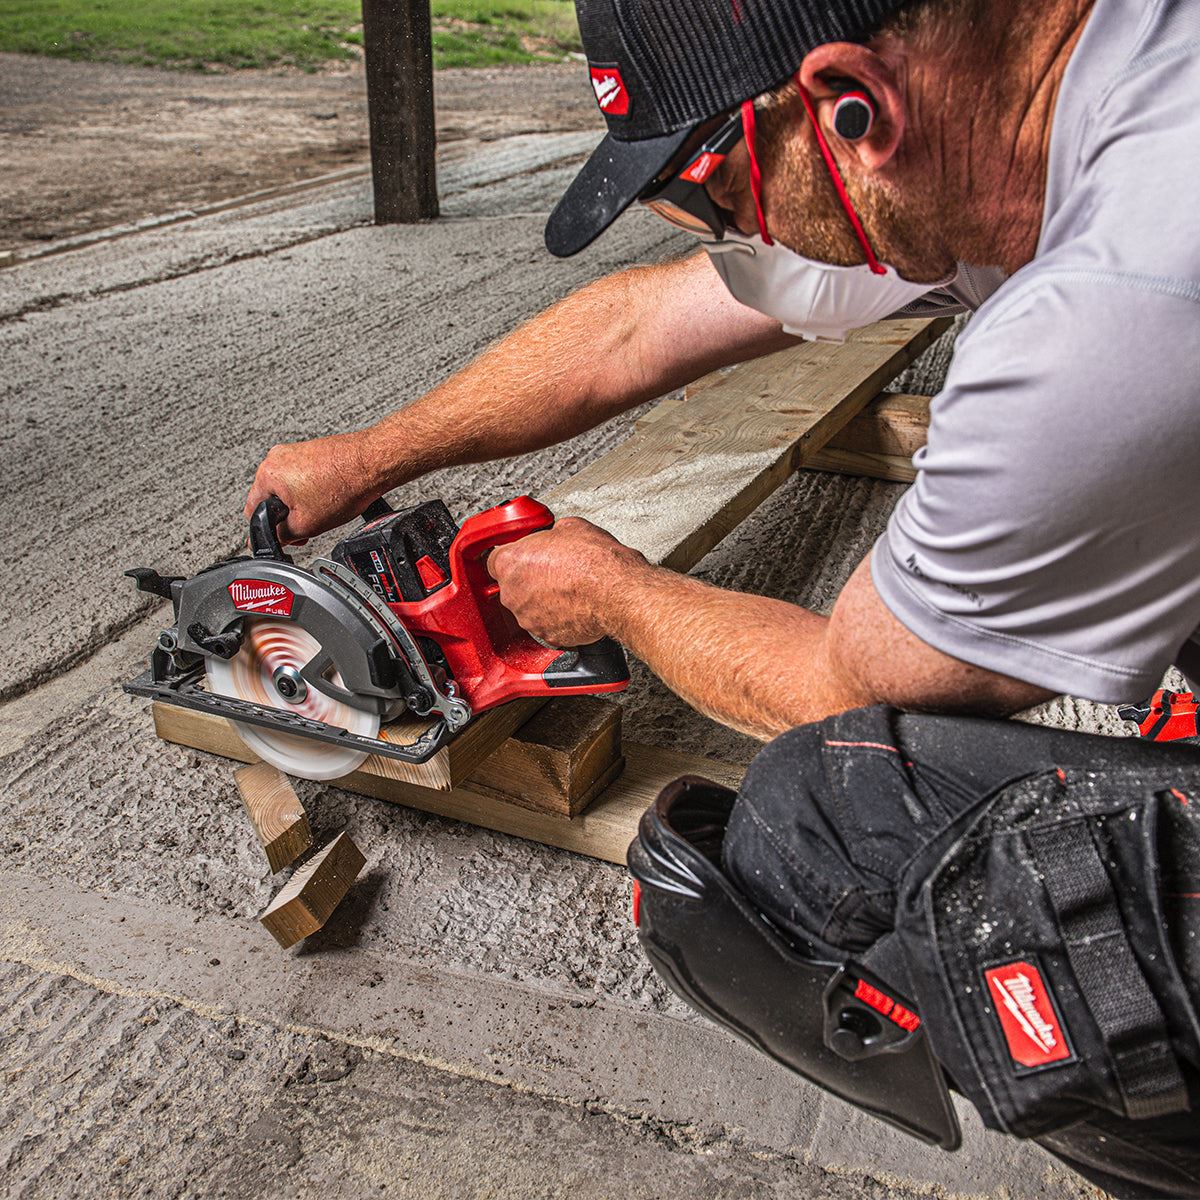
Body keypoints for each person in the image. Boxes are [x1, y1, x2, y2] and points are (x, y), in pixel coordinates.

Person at [245, 0, 1200, 1191]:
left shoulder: (1117, 310)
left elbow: (851, 680)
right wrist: (370, 456)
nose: (725, 234)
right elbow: (642, 326)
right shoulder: (1076, 90)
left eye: (713, 196)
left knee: (815, 818)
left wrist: (615, 592)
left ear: (853, 104)